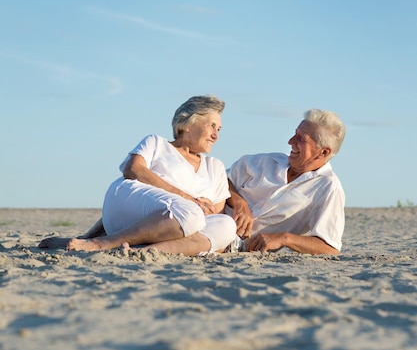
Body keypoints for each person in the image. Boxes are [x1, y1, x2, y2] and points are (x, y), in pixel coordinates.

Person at [39, 95, 236, 256]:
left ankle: (145, 250)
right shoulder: (157, 143)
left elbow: (215, 212)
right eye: (211, 126)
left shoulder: (215, 166)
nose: (216, 135)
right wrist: (188, 199)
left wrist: (204, 208)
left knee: (227, 225)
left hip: (177, 226)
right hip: (129, 204)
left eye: (219, 129)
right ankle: (100, 243)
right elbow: (133, 170)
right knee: (190, 213)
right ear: (188, 123)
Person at [226, 109, 346, 255]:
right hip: (208, 216)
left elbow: (330, 248)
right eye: (295, 134)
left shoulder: (328, 187)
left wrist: (284, 238)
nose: (290, 141)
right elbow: (219, 178)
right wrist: (238, 202)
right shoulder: (264, 161)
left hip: (231, 244)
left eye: (301, 139)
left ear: (324, 152)